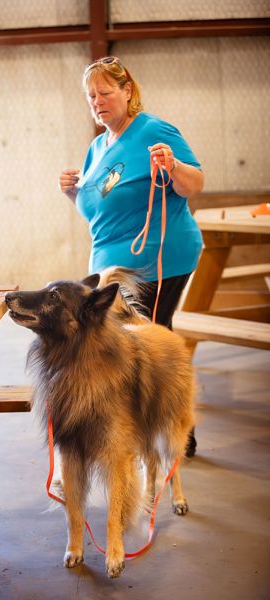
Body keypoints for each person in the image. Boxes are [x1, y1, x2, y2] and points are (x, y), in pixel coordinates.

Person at [59, 56, 204, 456]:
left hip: (156, 260)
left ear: (127, 91)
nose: (98, 101)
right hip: (111, 268)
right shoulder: (98, 146)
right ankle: (165, 428)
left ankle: (172, 432)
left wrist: (173, 165)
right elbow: (96, 211)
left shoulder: (153, 130)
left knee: (151, 346)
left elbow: (194, 183)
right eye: (91, 96)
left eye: (105, 92)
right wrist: (73, 193)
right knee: (133, 346)